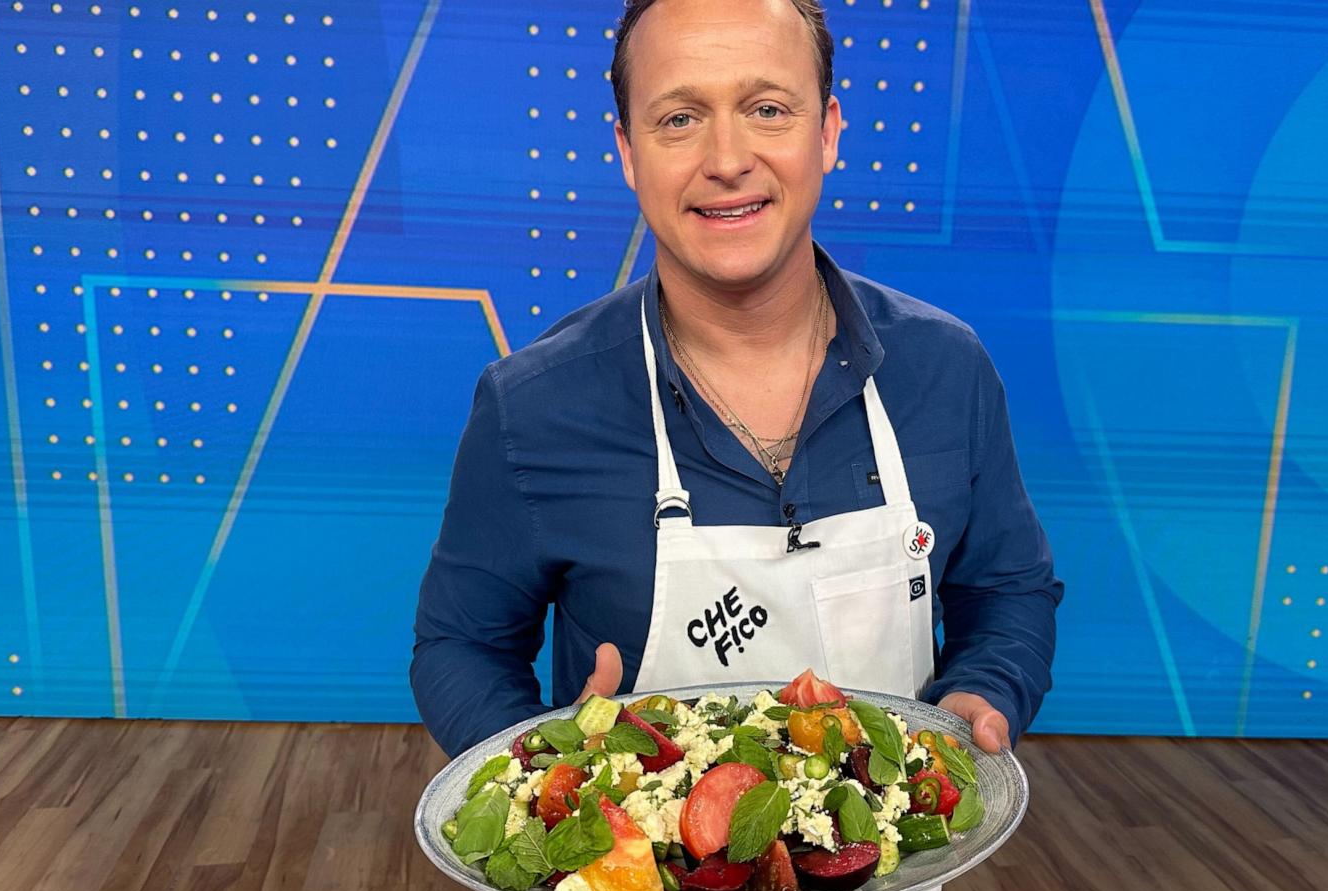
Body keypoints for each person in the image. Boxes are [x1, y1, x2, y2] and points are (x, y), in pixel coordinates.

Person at [411, 0, 1061, 765]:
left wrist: (980, 695)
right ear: (627, 150)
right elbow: (460, 643)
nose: (727, 158)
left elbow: (1005, 592)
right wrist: (543, 770)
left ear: (827, 131)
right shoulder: (532, 406)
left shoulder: (947, 371)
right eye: (679, 119)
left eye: (767, 109)